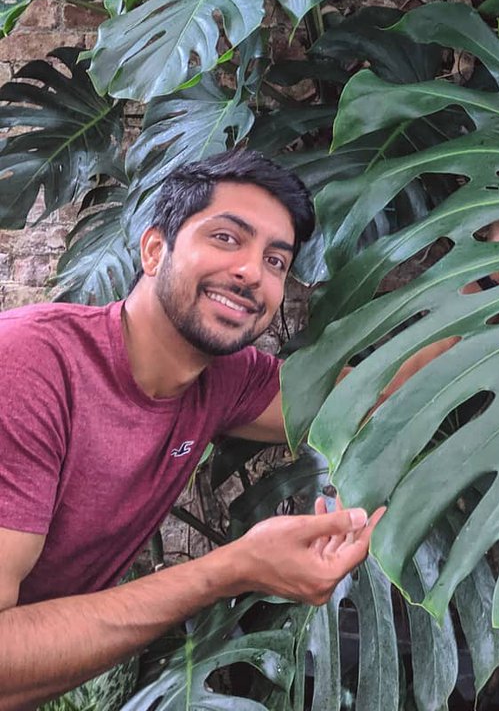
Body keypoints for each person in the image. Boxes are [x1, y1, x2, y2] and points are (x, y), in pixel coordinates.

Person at [0, 150, 458, 711]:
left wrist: (493, 275)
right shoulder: (28, 368)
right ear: (152, 250)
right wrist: (232, 569)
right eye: (225, 238)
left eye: (275, 261)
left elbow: (373, 396)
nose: (251, 273)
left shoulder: (223, 381)